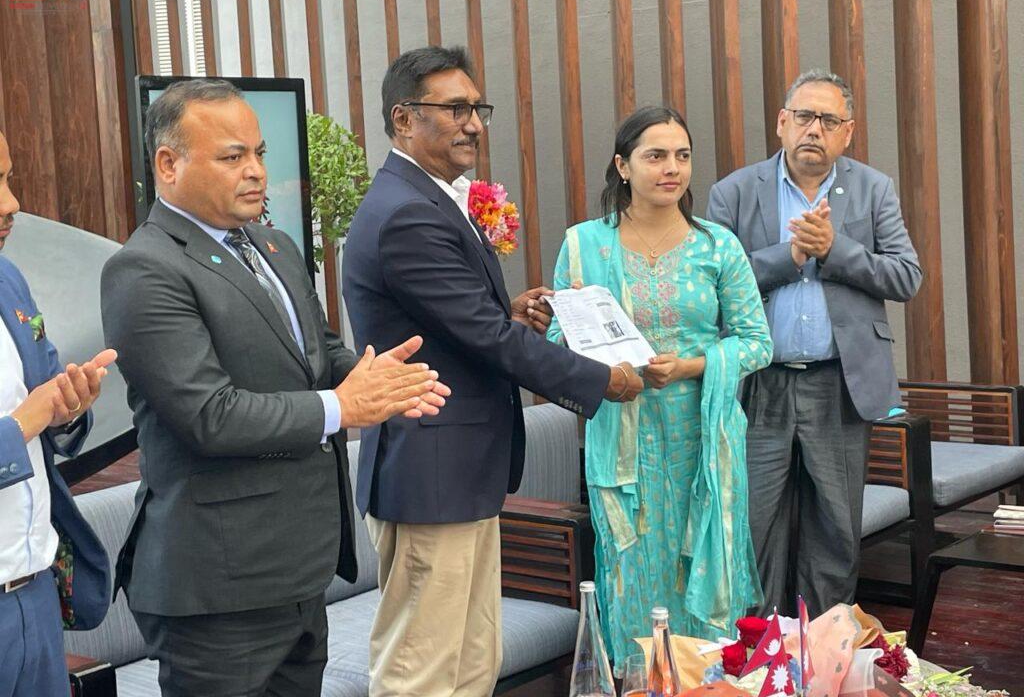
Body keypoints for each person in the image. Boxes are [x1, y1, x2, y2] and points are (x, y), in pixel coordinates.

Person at [101, 79, 450, 696]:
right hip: (218, 584)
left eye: (259, 153)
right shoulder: (144, 268)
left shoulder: (274, 244)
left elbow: (319, 352)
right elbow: (209, 416)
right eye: (232, 156)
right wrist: (342, 406)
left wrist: (377, 379)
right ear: (168, 164)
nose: (256, 171)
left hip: (299, 567)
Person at [342, 45, 643, 697]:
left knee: (472, 663)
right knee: (423, 673)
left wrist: (507, 312)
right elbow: (483, 337)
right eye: (455, 109)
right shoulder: (407, 212)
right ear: (403, 119)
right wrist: (603, 380)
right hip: (430, 473)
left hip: (458, 471)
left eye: (477, 108)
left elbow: (456, 322)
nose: (473, 123)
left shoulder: (426, 198)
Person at [547, 106, 773, 670]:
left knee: (701, 567)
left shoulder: (717, 246)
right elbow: (557, 341)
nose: (672, 168)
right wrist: (608, 367)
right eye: (655, 156)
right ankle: (638, 680)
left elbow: (757, 343)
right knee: (631, 571)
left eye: (682, 156)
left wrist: (692, 366)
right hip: (622, 446)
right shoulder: (584, 246)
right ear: (623, 166)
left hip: (701, 444)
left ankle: (709, 678)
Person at [707, 69, 922, 617]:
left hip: (839, 384)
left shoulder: (873, 188)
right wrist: (789, 257)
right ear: (782, 122)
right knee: (752, 525)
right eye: (804, 116)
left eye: (828, 120)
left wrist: (835, 250)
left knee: (835, 529)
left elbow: (906, 277)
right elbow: (709, 287)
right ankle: (755, 647)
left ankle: (823, 645)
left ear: (847, 133)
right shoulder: (734, 191)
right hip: (759, 385)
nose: (814, 129)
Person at [0, 129, 118, 697]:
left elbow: (47, 398)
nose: (12, 203)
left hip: (36, 597)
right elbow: (27, 415)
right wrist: (27, 420)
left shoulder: (9, 280)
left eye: (8, 179)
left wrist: (69, 408)